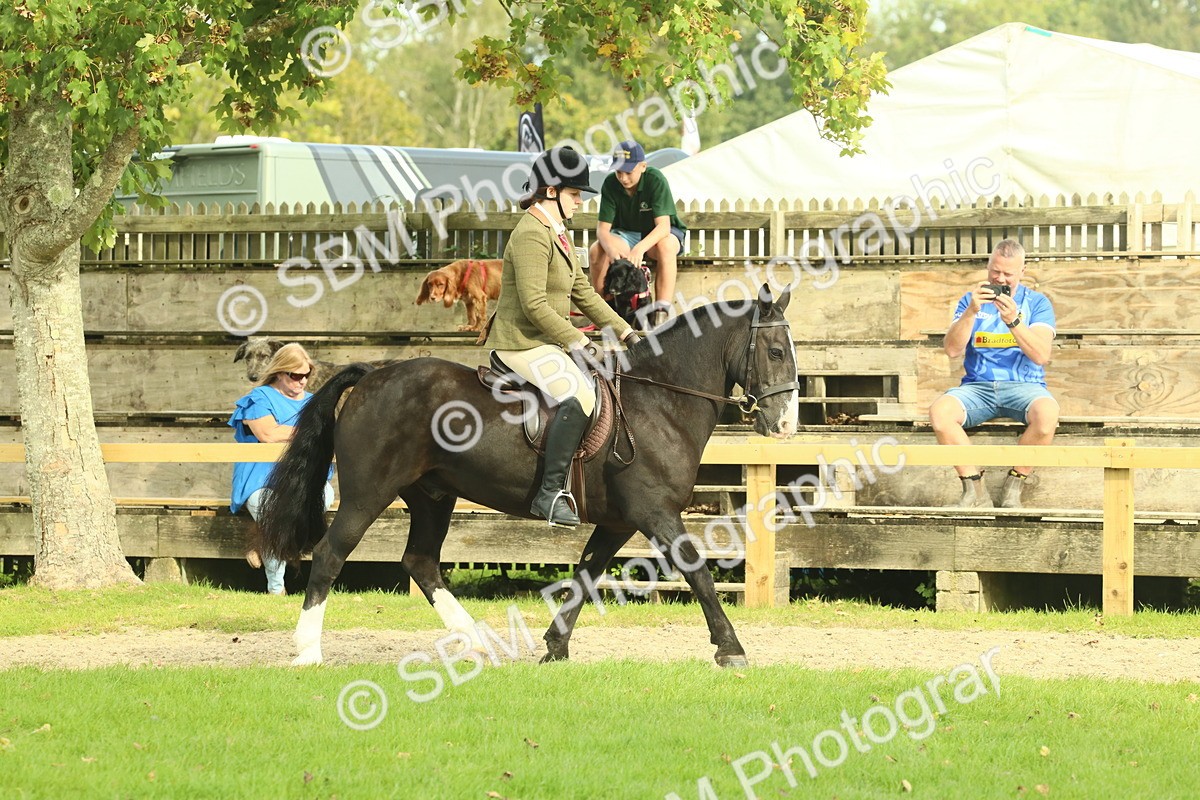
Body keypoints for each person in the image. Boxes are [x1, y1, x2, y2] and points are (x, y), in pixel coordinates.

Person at [481, 146, 641, 528]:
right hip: (521, 341)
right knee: (581, 394)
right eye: (574, 194)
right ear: (552, 190)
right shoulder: (531, 234)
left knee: (600, 384)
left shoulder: (558, 232)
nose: (581, 202)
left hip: (545, 341)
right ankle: (548, 494)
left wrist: (626, 330)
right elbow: (535, 304)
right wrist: (579, 341)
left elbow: (583, 292)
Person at [929, 239, 1058, 509]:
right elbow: (952, 350)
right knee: (940, 413)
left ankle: (1014, 484)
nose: (1000, 279)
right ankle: (974, 489)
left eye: (1008, 274)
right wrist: (971, 312)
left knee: (1047, 417)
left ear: (1023, 271)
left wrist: (1013, 321)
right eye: (994, 272)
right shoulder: (970, 300)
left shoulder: (1037, 302)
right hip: (978, 386)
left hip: (1025, 385)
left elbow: (1041, 355)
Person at [229, 343, 334, 593]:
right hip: (261, 477)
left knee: (325, 496)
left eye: (307, 375)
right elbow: (268, 433)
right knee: (274, 511)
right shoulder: (258, 398)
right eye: (295, 375)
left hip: (303, 477)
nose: (302, 381)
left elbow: (330, 434)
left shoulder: (314, 402)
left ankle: (261, 541)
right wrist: (309, 432)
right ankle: (276, 588)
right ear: (279, 372)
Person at [588, 139, 687, 328]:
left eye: (628, 172)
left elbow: (663, 227)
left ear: (643, 166)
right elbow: (603, 230)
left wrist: (639, 249)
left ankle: (661, 312)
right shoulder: (610, 184)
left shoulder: (655, 179)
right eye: (619, 172)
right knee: (596, 250)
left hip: (660, 234)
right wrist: (610, 250)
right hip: (626, 234)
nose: (623, 178)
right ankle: (604, 310)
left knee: (665, 246)